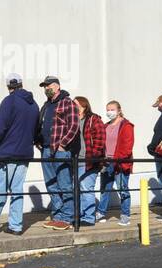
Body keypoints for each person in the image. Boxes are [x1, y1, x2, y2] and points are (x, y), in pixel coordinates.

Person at [0, 74, 36, 235]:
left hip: (6, 152)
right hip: (24, 153)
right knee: (17, 189)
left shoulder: (9, 101)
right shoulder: (33, 104)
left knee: (0, 189)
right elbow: (36, 129)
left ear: (8, 86)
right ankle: (15, 226)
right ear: (22, 85)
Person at [37, 77, 80, 231]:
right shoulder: (46, 105)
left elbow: (74, 126)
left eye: (48, 86)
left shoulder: (67, 102)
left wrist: (63, 144)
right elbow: (41, 124)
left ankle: (68, 217)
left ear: (57, 86)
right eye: (44, 86)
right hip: (46, 149)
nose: (45, 88)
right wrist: (38, 140)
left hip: (61, 150)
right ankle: (58, 216)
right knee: (51, 184)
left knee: (65, 184)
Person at [97, 101, 135, 225]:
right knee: (104, 190)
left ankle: (125, 215)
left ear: (119, 110)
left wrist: (118, 160)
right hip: (106, 162)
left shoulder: (126, 125)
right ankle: (101, 213)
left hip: (120, 163)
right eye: (108, 110)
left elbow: (127, 146)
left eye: (112, 109)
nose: (110, 112)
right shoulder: (105, 125)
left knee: (123, 190)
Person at [74, 96, 107, 226]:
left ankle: (88, 218)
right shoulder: (74, 120)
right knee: (79, 189)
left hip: (88, 160)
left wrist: (93, 157)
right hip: (76, 160)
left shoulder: (94, 119)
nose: (73, 106)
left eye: (75, 104)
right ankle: (81, 215)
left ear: (83, 105)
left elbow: (100, 139)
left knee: (86, 188)